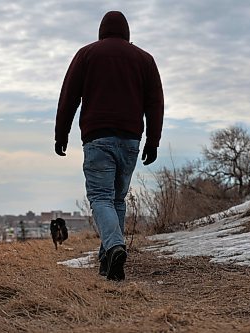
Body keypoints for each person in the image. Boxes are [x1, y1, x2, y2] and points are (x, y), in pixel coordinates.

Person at [54, 11, 164, 281]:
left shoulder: (87, 54)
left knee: (101, 198)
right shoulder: (144, 59)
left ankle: (115, 247)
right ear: (127, 31)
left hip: (98, 137)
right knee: (116, 200)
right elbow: (155, 103)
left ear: (102, 30)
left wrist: (61, 134)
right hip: (130, 140)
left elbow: (68, 97)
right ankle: (107, 262)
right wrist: (153, 140)